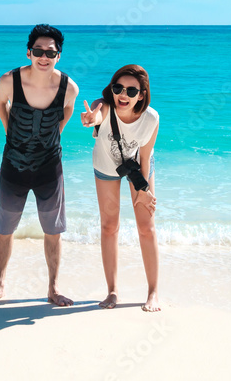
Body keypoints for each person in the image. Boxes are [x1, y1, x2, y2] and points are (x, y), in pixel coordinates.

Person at [0, 24, 79, 306]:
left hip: (49, 166)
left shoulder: (68, 87)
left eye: (50, 52)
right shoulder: (9, 80)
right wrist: (9, 129)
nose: (43, 57)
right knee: (4, 228)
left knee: (53, 230)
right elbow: (1, 103)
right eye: (38, 51)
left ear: (59, 55)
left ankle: (53, 288)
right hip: (14, 164)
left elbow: (68, 108)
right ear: (29, 52)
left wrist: (56, 131)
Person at [81, 64, 161, 312]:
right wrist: (91, 119)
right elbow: (97, 114)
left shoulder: (151, 118)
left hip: (137, 168)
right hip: (106, 166)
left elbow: (145, 158)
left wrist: (144, 191)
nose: (123, 95)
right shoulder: (104, 105)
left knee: (146, 227)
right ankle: (112, 291)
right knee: (109, 226)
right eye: (118, 88)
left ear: (142, 94)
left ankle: (153, 292)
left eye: (131, 90)